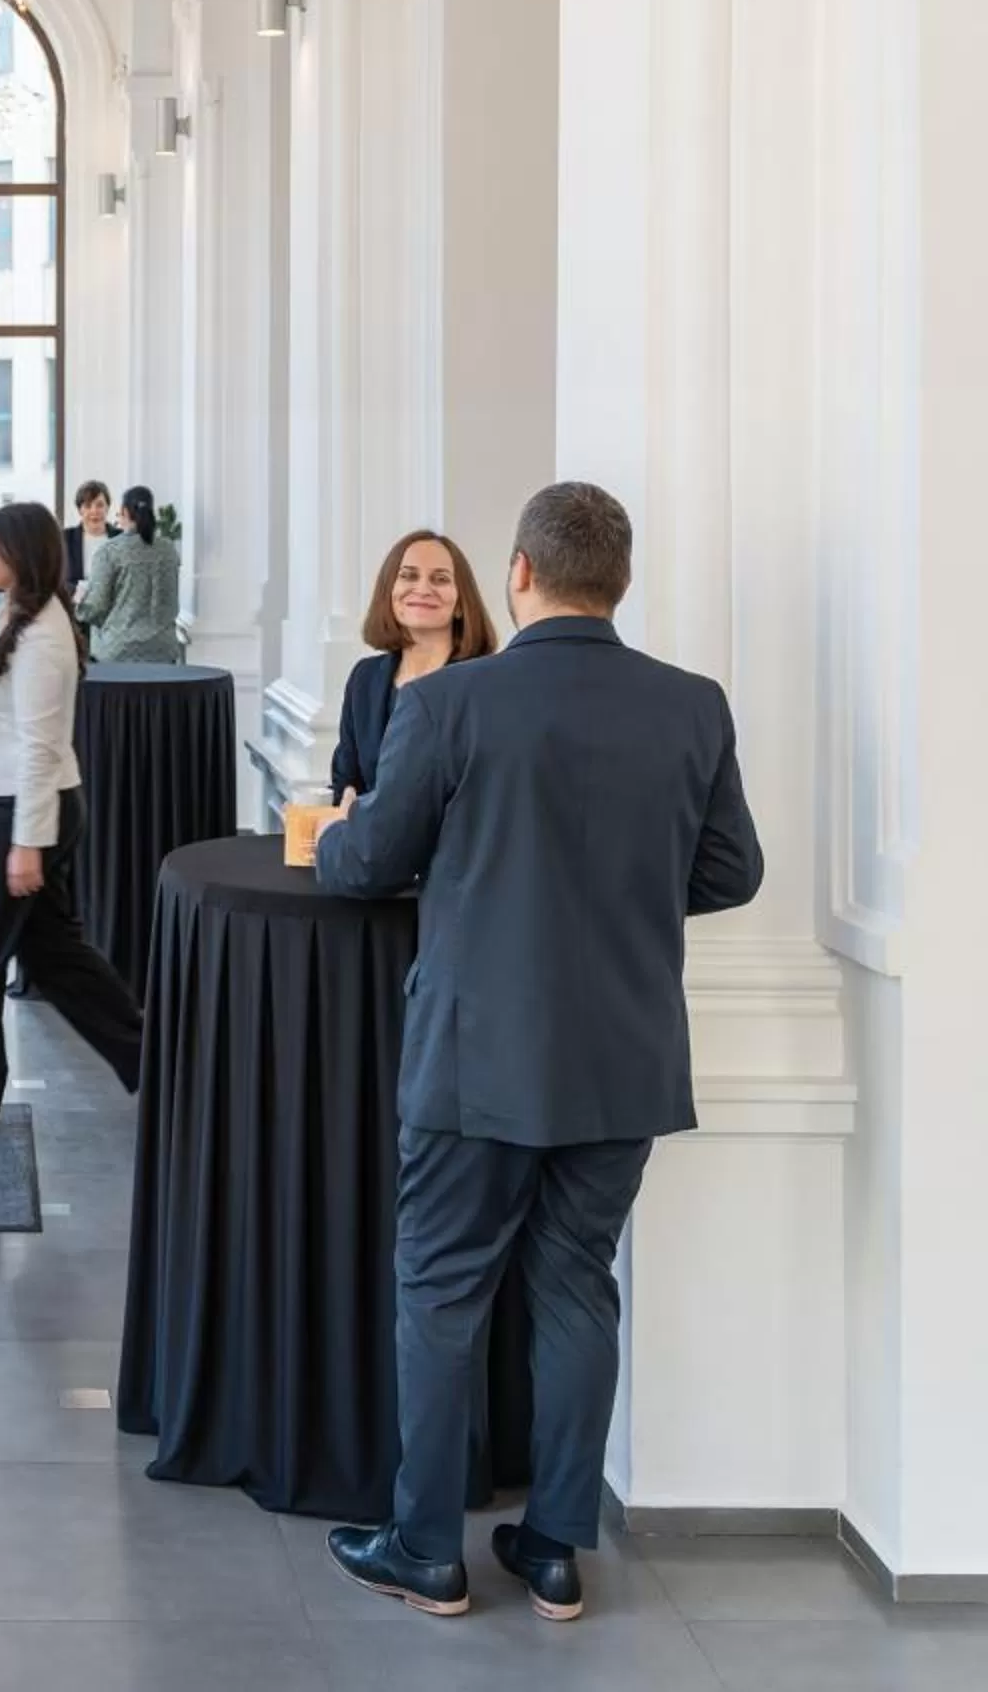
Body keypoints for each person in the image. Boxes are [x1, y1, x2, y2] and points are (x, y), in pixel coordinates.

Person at [316, 481, 764, 1625]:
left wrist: (335, 840)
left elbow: (369, 865)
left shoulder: (454, 704)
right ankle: (555, 1551)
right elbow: (729, 873)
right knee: (574, 1290)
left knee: (440, 1293)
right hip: (622, 1053)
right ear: (617, 580)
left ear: (516, 574)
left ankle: (425, 1549)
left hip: (474, 1057)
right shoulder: (691, 705)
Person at [0, 503, 145, 1128]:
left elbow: (42, 746)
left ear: (23, 552)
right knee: (55, 958)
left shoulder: (43, 634)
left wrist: (26, 843)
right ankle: (153, 1062)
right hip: (17, 803)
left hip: (24, 807)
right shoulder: (19, 612)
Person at [331, 530, 497, 805]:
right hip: (371, 844)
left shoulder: (482, 684)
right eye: (408, 575)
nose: (422, 588)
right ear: (390, 592)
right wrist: (347, 796)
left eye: (440, 579)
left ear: (460, 604)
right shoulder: (365, 678)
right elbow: (346, 778)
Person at [77, 485, 181, 663]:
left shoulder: (109, 551)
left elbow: (95, 609)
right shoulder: (169, 550)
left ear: (124, 512)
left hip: (118, 653)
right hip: (164, 651)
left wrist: (79, 602)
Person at [64, 478, 114, 591]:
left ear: (107, 508)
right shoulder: (65, 538)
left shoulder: (122, 538)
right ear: (80, 510)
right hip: (76, 604)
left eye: (100, 505)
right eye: (88, 506)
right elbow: (56, 579)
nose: (94, 511)